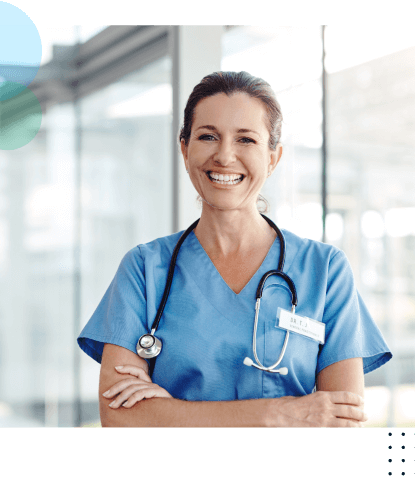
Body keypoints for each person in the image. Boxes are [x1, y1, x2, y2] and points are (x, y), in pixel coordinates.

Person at [77, 71, 392, 428]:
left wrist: (171, 414)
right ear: (184, 148)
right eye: (208, 136)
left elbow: (342, 421)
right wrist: (279, 413)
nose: (225, 156)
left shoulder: (325, 270)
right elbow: (120, 419)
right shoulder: (144, 269)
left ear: (273, 157)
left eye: (246, 139)